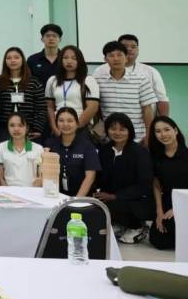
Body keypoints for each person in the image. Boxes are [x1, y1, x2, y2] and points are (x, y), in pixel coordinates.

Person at [95, 113, 153, 244]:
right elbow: (100, 177)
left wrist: (115, 196)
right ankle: (120, 224)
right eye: (113, 128)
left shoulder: (140, 152)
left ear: (129, 131)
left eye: (122, 129)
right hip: (112, 196)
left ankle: (138, 226)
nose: (117, 133)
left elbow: (145, 185)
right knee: (95, 202)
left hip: (136, 199)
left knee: (112, 205)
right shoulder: (104, 150)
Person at [93, 34, 169, 119]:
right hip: (109, 124)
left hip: (139, 124)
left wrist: (162, 123)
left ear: (138, 50)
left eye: (133, 47)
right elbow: (94, 102)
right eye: (125, 46)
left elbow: (161, 100)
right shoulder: (99, 71)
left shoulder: (150, 72)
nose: (129, 49)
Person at [94, 40, 157, 141]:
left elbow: (147, 109)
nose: (116, 59)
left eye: (119, 55)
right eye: (111, 55)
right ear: (105, 59)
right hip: (109, 139)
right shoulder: (97, 81)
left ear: (126, 58)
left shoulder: (141, 80)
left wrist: (149, 135)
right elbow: (96, 110)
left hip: (137, 138)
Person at [44, 45, 100, 137]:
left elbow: (92, 107)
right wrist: (54, 127)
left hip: (80, 127)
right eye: (65, 58)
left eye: (74, 58)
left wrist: (75, 128)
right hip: (58, 127)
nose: (69, 61)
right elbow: (50, 107)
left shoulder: (88, 80)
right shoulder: (52, 80)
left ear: (80, 60)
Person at [43, 107, 100, 197]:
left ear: (77, 124)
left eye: (70, 121)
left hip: (82, 198)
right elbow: (46, 173)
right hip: (56, 196)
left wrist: (76, 200)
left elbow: (90, 177)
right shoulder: (50, 144)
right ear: (56, 123)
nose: (65, 124)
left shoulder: (87, 146)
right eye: (61, 120)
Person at [149, 117, 187, 250]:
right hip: (168, 202)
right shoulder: (156, 157)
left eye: (166, 129)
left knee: (172, 226)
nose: (163, 134)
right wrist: (159, 212)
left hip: (186, 201)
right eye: (158, 131)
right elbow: (156, 185)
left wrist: (178, 207)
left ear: (175, 130)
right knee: (158, 240)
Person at [0, 47, 46, 142]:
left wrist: (37, 128)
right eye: (9, 58)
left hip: (29, 128)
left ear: (22, 60)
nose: (12, 60)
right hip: (4, 129)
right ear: (5, 61)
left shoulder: (34, 82)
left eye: (16, 57)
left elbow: (41, 107)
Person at [0, 112, 44, 187]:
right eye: (12, 125)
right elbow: (1, 179)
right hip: (9, 191)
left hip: (31, 190)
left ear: (27, 128)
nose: (16, 129)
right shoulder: (0, 147)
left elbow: (41, 176)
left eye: (20, 125)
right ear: (7, 127)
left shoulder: (38, 148)